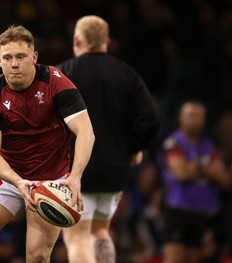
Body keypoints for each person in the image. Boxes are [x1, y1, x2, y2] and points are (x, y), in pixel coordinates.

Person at [0, 25, 95, 263]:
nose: (14, 64)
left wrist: (75, 177)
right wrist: (19, 182)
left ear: (34, 57)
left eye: (21, 56)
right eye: (8, 58)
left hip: (51, 180)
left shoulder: (57, 83)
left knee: (38, 256)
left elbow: (86, 132)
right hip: (8, 176)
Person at [57, 15, 160, 263]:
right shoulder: (127, 73)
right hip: (116, 170)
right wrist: (134, 148)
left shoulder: (63, 74)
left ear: (77, 40)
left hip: (78, 171)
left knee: (77, 236)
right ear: (107, 41)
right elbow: (151, 120)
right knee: (101, 230)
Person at [160, 101, 231, 263]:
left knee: (194, 259)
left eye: (199, 116)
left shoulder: (208, 145)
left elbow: (223, 177)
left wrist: (195, 168)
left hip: (201, 211)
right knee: (175, 258)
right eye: (191, 115)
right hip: (177, 210)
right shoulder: (174, 142)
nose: (195, 120)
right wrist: (207, 169)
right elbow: (181, 173)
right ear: (181, 118)